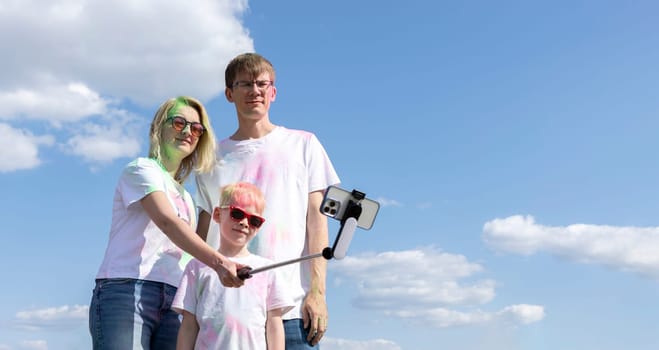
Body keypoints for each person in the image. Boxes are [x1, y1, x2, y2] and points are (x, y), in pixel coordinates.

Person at [195, 53, 340, 349]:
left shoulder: (304, 145)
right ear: (229, 93)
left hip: (290, 312)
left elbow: (317, 221)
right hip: (228, 315)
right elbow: (202, 237)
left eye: (263, 83)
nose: (255, 90)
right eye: (245, 83)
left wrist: (318, 293)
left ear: (273, 92)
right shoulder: (210, 161)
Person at [89, 96, 245, 350]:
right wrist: (220, 263)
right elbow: (167, 222)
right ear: (158, 127)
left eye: (196, 128)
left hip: (173, 298)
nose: (187, 132)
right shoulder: (141, 169)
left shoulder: (185, 196)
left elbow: (186, 252)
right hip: (127, 289)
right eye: (178, 123)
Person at [173, 182, 295, 350]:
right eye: (237, 213)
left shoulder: (268, 270)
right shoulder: (196, 266)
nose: (245, 223)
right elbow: (188, 326)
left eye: (254, 220)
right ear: (217, 214)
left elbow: (274, 324)